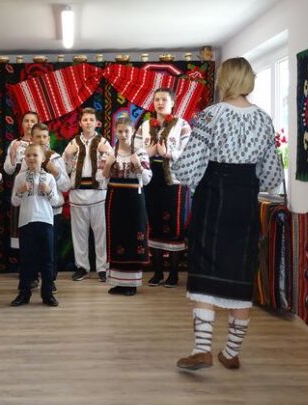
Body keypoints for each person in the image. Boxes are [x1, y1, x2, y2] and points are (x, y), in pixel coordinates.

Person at [171, 57, 283, 370]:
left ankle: (202, 350)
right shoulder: (264, 119)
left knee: (206, 269)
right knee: (240, 272)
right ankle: (231, 353)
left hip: (215, 197)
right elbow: (272, 175)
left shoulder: (210, 115)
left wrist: (181, 172)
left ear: (224, 80)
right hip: (245, 200)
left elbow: (188, 167)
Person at [136, 88, 193, 287]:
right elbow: (135, 151)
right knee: (153, 224)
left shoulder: (182, 125)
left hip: (174, 182)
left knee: (174, 227)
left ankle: (174, 273)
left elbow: (188, 153)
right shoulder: (144, 126)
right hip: (151, 180)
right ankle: (158, 271)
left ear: (173, 103)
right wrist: (149, 152)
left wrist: (168, 154)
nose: (160, 103)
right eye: (157, 99)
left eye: (164, 100)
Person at [99, 115, 152, 296]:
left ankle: (131, 283)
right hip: (115, 198)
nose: (123, 135)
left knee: (133, 237)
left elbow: (147, 179)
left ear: (132, 131)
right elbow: (101, 179)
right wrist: (108, 165)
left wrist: (138, 166)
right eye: (120, 131)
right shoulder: (110, 152)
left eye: (126, 131)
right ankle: (118, 282)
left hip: (134, 199)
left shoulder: (140, 152)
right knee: (116, 236)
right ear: (115, 131)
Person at [63, 108, 112, 282]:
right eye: (85, 120)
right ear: (80, 123)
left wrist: (107, 152)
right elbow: (65, 170)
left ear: (97, 123)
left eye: (91, 119)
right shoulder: (73, 143)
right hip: (77, 193)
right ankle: (82, 267)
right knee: (79, 233)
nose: (88, 122)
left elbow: (112, 167)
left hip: (98, 194)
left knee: (101, 233)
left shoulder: (103, 142)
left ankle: (102, 268)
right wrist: (67, 155)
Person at [19, 122, 71, 288]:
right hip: (33, 211)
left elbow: (66, 186)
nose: (41, 140)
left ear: (48, 139)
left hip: (53, 211)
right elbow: (20, 182)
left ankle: (50, 281)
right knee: (32, 247)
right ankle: (33, 277)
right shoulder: (27, 159)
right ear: (31, 138)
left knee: (51, 248)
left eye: (44, 137)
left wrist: (55, 171)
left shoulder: (56, 158)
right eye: (37, 137)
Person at [10, 144, 61, 307]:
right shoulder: (20, 178)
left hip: (45, 221)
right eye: (28, 155)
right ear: (24, 158)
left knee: (47, 260)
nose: (31, 158)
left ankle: (47, 294)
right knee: (26, 260)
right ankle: (24, 294)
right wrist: (20, 191)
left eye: (35, 155)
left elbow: (56, 201)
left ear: (43, 158)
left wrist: (48, 191)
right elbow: (14, 202)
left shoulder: (50, 178)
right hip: (26, 222)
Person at [4, 111, 39, 250]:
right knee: (19, 215)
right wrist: (13, 154)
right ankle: (22, 252)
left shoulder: (41, 142)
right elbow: (8, 170)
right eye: (26, 121)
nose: (29, 124)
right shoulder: (15, 143)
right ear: (22, 124)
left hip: (37, 182)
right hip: (20, 182)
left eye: (32, 121)